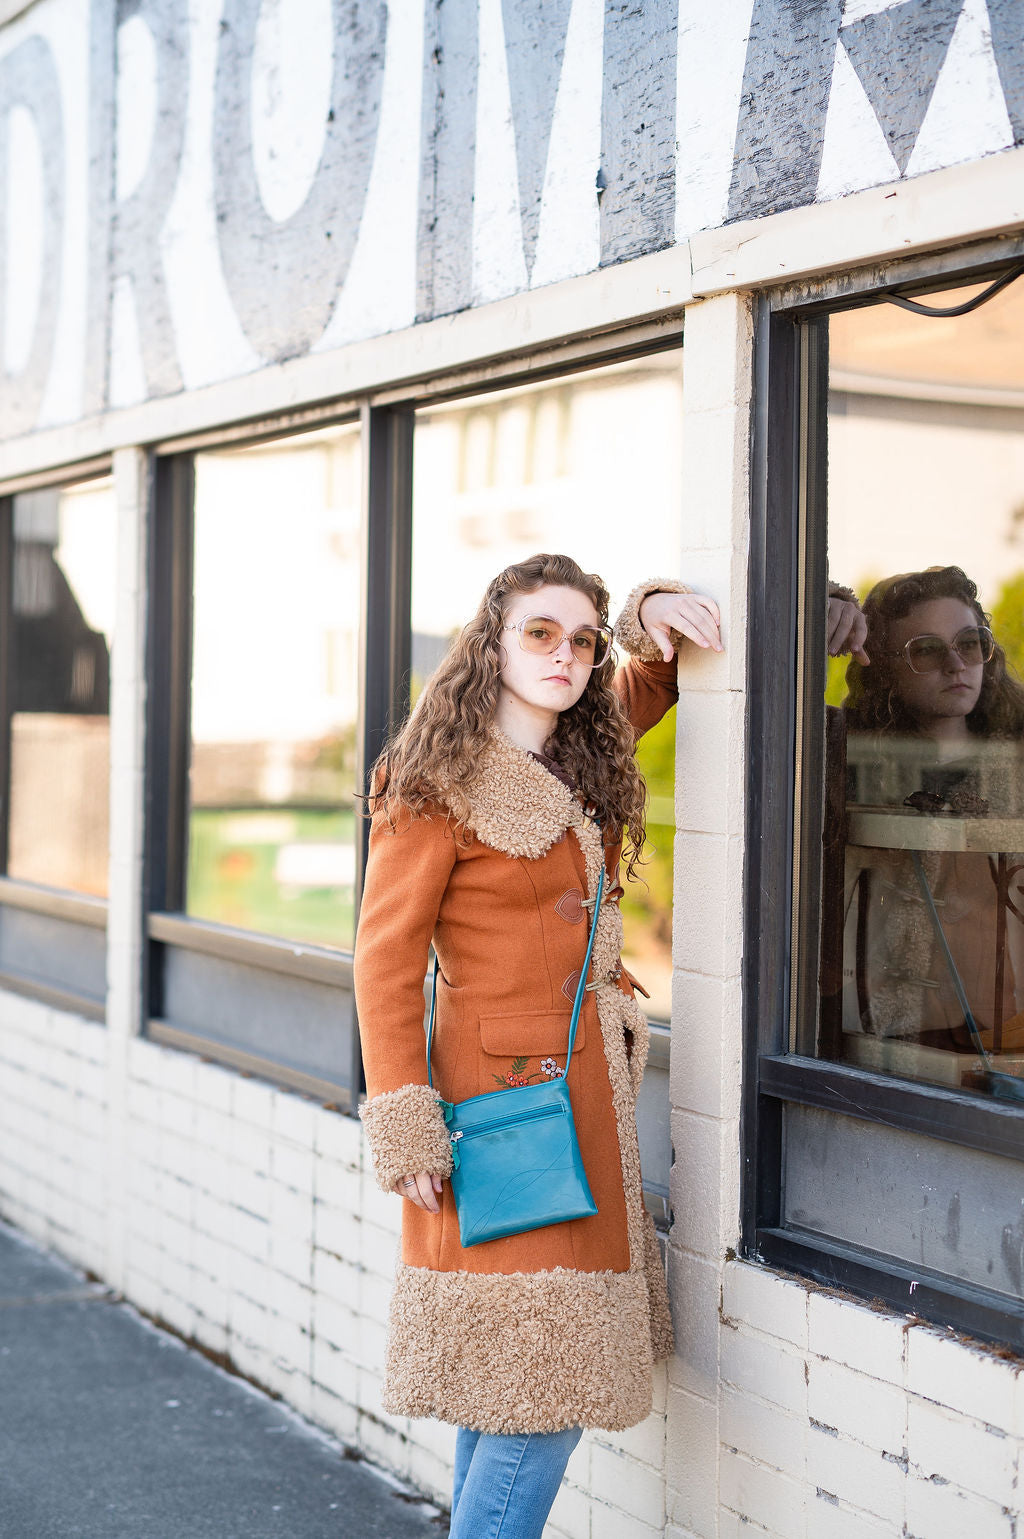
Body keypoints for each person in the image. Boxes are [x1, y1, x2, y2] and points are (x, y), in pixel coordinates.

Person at [352, 553, 722, 1539]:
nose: (565, 655)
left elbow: (656, 673)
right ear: (493, 645)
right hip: (499, 1113)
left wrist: (645, 607)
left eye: (582, 639)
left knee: (510, 1391)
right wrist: (405, 1124)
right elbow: (383, 962)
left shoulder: (580, 752)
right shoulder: (432, 783)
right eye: (539, 633)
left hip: (580, 1105)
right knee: (540, 1395)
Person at [825, 566, 1024, 1069]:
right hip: (894, 1036)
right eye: (928, 650)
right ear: (885, 664)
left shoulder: (1016, 756)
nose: (957, 664)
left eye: (971, 643)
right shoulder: (845, 756)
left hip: (1010, 1025)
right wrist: (818, 607)